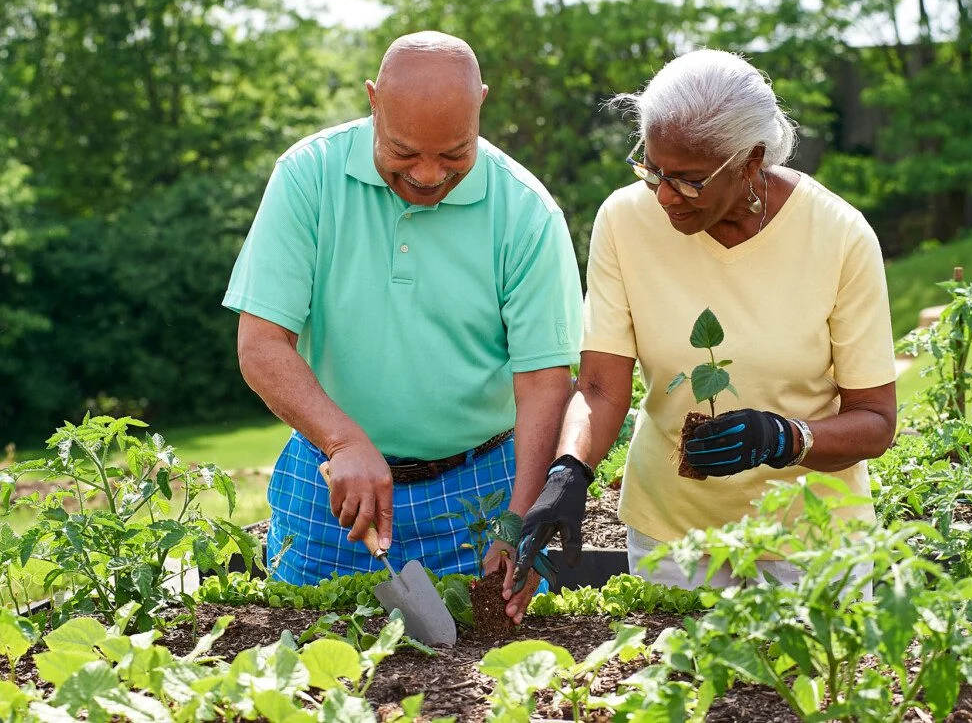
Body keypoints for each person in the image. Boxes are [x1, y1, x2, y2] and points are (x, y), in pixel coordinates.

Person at [508, 49, 897, 619]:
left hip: (813, 544)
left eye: (689, 180)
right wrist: (569, 471)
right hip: (673, 541)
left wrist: (787, 437)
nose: (664, 196)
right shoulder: (625, 220)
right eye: (654, 170)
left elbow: (877, 421)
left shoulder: (838, 236)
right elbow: (599, 386)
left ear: (749, 161)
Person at [223, 31, 583, 601]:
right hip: (329, 483)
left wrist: (519, 520)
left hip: (478, 490)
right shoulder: (306, 177)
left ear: (481, 103)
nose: (429, 175)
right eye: (406, 152)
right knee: (307, 665)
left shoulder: (526, 212)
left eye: (453, 154)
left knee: (486, 679)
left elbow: (544, 381)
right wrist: (343, 442)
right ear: (373, 100)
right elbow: (262, 344)